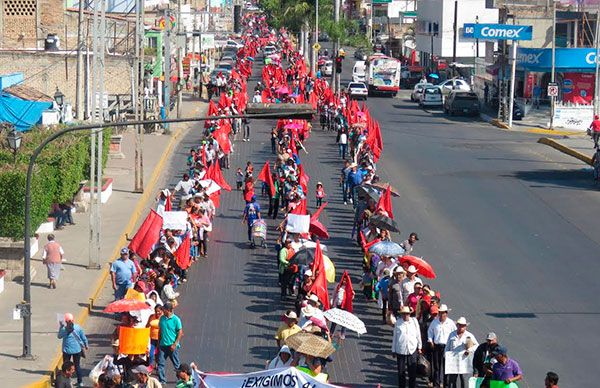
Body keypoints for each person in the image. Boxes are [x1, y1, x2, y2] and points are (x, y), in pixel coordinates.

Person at [392, 306, 422, 388]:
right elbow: (395, 337)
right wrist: (393, 349)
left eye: (407, 314)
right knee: (401, 372)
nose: (405, 316)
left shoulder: (414, 321)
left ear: (409, 314)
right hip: (400, 349)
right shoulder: (398, 322)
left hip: (412, 349)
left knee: (412, 372)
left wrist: (419, 347)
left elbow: (418, 334)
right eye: (404, 314)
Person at [444, 317, 478, 388]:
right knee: (452, 379)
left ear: (465, 327)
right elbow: (447, 346)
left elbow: (476, 345)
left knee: (463, 379)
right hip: (453, 360)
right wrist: (446, 356)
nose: (461, 327)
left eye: (463, 326)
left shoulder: (469, 335)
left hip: (464, 360)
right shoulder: (452, 334)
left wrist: (469, 350)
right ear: (457, 325)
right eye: (460, 325)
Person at [427, 304, 456, 388]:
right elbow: (430, 332)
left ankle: (446, 384)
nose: (441, 314)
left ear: (446, 313)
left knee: (446, 367)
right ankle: (436, 384)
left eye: (443, 313)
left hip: (446, 347)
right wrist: (430, 341)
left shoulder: (450, 323)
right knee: (436, 366)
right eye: (440, 313)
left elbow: (454, 334)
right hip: (436, 346)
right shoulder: (434, 322)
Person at [58, 313, 88, 387]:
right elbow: (83, 337)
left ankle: (67, 380)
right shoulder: (78, 327)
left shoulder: (64, 329)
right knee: (77, 366)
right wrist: (86, 344)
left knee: (66, 367)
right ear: (73, 320)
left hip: (66, 350)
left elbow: (59, 336)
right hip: (77, 350)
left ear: (65, 321)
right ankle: (80, 382)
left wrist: (61, 326)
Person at [157, 302, 183, 384]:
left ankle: (180, 379)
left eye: (164, 309)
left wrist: (175, 344)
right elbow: (160, 331)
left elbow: (180, 332)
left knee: (176, 364)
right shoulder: (162, 318)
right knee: (160, 364)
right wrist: (158, 342)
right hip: (162, 345)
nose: (162, 311)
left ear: (168, 310)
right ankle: (162, 381)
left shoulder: (176, 319)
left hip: (172, 346)